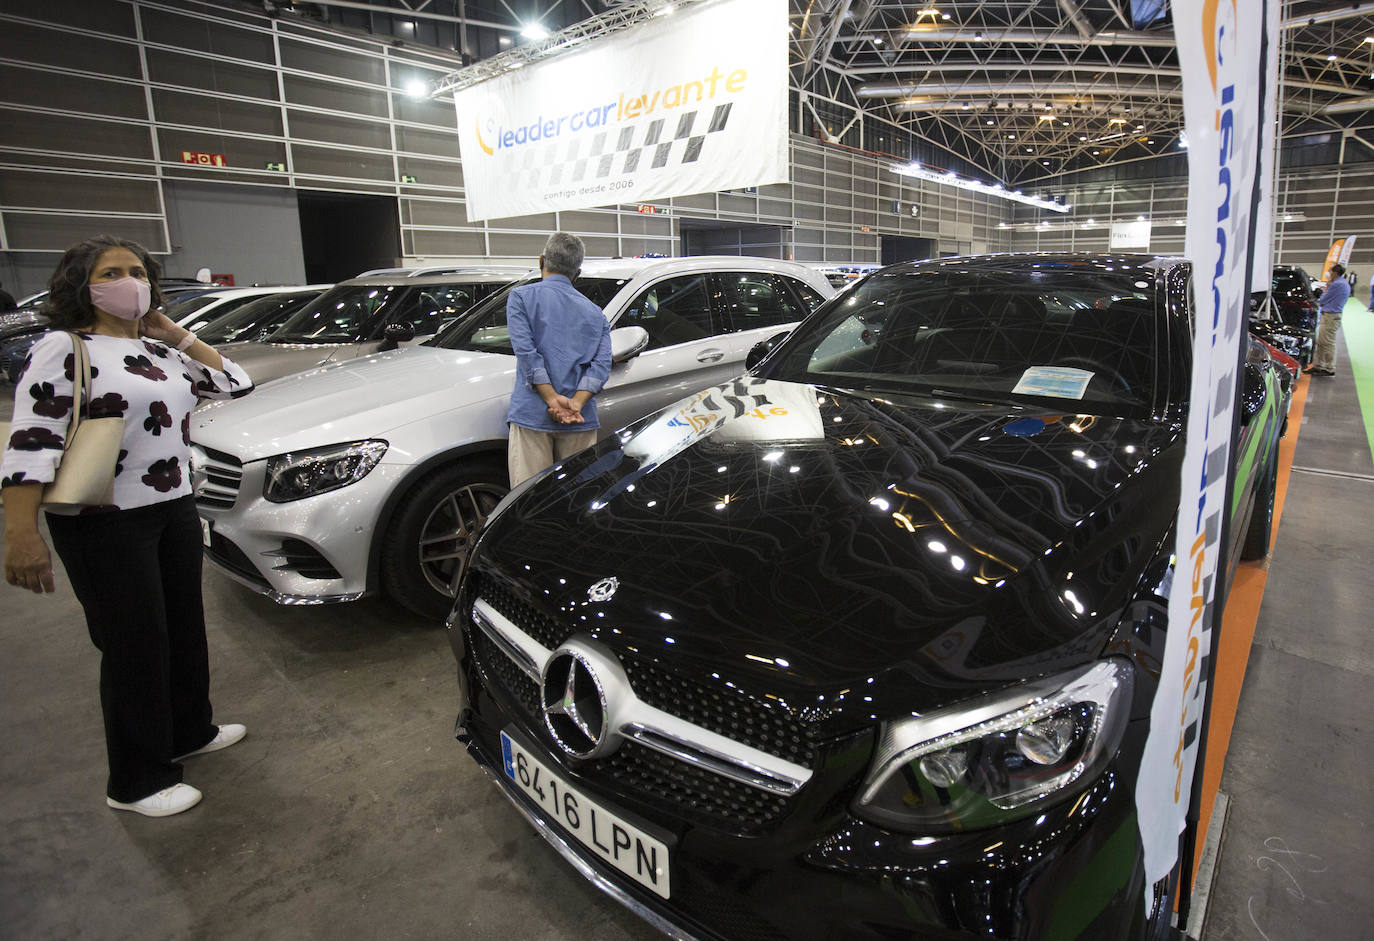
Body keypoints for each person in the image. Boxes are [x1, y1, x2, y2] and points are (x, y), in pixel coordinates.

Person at [2, 235, 255, 818]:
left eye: (138, 271)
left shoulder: (158, 350)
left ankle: (189, 729)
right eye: (113, 272)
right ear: (82, 286)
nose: (130, 281)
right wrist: (20, 533)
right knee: (133, 645)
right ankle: (136, 780)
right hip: (104, 520)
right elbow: (31, 442)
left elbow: (233, 383)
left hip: (171, 507)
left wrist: (179, 335)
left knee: (183, 627)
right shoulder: (64, 348)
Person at [505, 232, 612, 487]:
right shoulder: (596, 314)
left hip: (532, 415)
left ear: (541, 260)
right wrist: (574, 404)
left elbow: (527, 354)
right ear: (578, 272)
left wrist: (552, 399)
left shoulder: (520, 298)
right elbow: (600, 366)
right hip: (580, 417)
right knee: (577, 497)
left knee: (527, 498)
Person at [1305, 262, 1350, 378]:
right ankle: (1319, 365)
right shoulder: (1343, 283)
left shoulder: (1337, 285)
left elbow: (1324, 299)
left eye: (1330, 271)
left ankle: (1329, 367)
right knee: (1322, 342)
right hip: (1333, 315)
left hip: (1331, 316)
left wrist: (1324, 291)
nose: (1329, 274)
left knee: (1328, 343)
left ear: (1335, 272)